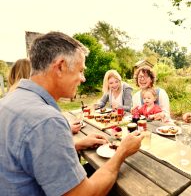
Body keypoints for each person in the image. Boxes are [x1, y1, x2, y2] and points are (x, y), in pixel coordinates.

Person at [0, 31, 143, 196]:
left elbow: (25, 156)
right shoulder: (47, 120)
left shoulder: (9, 101)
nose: (83, 79)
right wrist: (122, 152)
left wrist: (75, 145)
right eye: (80, 70)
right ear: (60, 67)